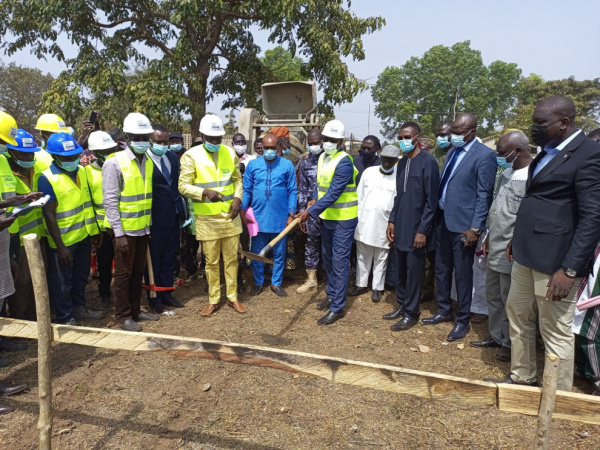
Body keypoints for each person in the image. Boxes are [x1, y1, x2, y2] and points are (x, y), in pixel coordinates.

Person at [486, 96, 600, 391]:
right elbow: (536, 200)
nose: (535, 129)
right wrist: (516, 237)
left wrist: (571, 269)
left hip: (556, 263)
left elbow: (592, 217)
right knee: (518, 314)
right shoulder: (547, 152)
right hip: (526, 254)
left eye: (541, 123)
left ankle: (556, 395)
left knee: (554, 329)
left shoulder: (589, 154)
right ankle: (522, 376)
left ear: (564, 122)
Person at [422, 113, 497, 341]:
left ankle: (462, 319)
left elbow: (484, 195)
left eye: (457, 131)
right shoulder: (454, 151)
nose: (452, 135)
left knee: (462, 275)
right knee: (442, 269)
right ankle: (444, 310)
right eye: (452, 130)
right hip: (444, 220)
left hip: (464, 227)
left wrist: (475, 228)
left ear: (471, 132)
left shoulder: (485, 156)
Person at [470, 131, 532, 362]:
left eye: (502, 152)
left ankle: (509, 343)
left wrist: (514, 241)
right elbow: (497, 208)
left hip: (510, 249)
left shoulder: (532, 175)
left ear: (518, 151)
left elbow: (526, 215)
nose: (499, 156)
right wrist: (487, 236)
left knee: (509, 299)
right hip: (494, 242)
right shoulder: (507, 172)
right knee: (493, 295)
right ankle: (496, 336)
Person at [179, 114, 246, 316]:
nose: (216, 142)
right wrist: (203, 193)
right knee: (211, 262)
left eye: (218, 138)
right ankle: (214, 299)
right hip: (207, 218)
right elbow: (182, 186)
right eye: (211, 139)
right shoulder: (191, 156)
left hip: (230, 216)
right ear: (202, 135)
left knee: (232, 259)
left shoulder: (230, 153)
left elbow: (237, 181)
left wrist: (237, 199)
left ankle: (233, 297)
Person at [37, 132, 105, 325]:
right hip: (63, 241)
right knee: (62, 281)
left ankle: (79, 308)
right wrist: (60, 247)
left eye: (74, 156)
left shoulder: (82, 172)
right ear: (55, 157)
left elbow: (87, 202)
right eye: (67, 158)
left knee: (80, 276)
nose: (72, 160)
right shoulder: (46, 178)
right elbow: (49, 214)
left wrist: (95, 230)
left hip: (83, 235)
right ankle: (65, 316)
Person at [296, 120, 358, 325]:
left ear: (340, 141)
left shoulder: (345, 162)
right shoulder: (323, 157)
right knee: (328, 259)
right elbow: (320, 185)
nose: (328, 142)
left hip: (343, 220)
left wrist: (310, 211)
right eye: (326, 139)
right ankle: (332, 295)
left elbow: (333, 193)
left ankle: (338, 307)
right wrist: (313, 198)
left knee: (340, 263)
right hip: (327, 218)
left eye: (332, 139)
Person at [103, 113, 158, 331]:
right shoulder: (114, 163)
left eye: (145, 136)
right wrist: (119, 234)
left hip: (142, 229)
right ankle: (123, 315)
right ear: (127, 136)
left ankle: (136, 310)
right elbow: (110, 201)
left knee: (138, 272)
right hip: (124, 232)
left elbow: (145, 197)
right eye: (137, 136)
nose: (143, 140)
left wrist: (147, 227)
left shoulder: (148, 161)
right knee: (123, 274)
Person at [385, 123, 440, 331]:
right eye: (400, 137)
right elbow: (399, 196)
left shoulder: (428, 162)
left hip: (417, 229)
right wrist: (392, 220)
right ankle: (402, 304)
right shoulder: (402, 164)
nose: (403, 141)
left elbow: (431, 201)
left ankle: (412, 312)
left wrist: (422, 230)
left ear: (417, 137)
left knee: (414, 272)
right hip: (401, 225)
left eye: (407, 136)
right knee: (399, 270)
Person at [241, 134, 297, 297]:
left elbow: (293, 190)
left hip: (280, 217)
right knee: (257, 251)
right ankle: (258, 282)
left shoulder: (287, 165)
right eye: (266, 148)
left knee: (280, 252)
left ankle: (276, 283)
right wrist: (244, 211)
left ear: (278, 147)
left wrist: (291, 214)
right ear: (262, 148)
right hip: (257, 217)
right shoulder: (253, 165)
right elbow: (247, 189)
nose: (269, 151)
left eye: (273, 148)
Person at [5, 129, 48, 321]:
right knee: (21, 282)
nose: (29, 157)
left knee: (38, 279)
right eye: (23, 154)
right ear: (11, 153)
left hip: (39, 234)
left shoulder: (36, 169)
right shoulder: (6, 174)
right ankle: (20, 321)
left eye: (31, 153)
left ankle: (36, 317)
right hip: (17, 238)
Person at [350, 144, 399, 302]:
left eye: (390, 161)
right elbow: (359, 197)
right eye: (385, 160)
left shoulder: (398, 176)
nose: (386, 164)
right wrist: (357, 219)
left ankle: (377, 287)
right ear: (381, 157)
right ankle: (361, 284)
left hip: (385, 224)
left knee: (381, 257)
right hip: (365, 221)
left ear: (395, 161)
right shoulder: (369, 173)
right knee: (363, 256)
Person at [146, 124, 186, 313]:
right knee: (155, 259)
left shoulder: (171, 157)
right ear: (150, 141)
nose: (162, 145)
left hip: (172, 216)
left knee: (170, 257)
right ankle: (154, 298)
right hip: (154, 219)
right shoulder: (144, 160)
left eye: (165, 141)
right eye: (158, 141)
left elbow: (175, 185)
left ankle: (167, 293)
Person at [421, 120, 454, 303]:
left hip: (453, 214)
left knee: (449, 258)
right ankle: (427, 290)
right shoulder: (431, 156)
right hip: (432, 211)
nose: (441, 138)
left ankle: (450, 296)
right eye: (438, 134)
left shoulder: (457, 154)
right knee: (429, 254)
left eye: (445, 134)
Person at [85, 131, 118, 308]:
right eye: (102, 151)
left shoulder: (121, 165)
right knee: (104, 262)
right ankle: (104, 292)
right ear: (94, 153)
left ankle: (122, 294)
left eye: (109, 150)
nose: (106, 154)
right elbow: (87, 202)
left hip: (121, 223)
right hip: (102, 227)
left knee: (122, 262)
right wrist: (94, 230)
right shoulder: (88, 172)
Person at [296, 128, 323, 294]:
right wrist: (301, 213)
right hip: (310, 213)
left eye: (316, 143)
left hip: (329, 212)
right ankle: (311, 279)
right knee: (311, 244)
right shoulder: (305, 163)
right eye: (311, 144)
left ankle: (329, 278)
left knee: (328, 246)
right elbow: (302, 189)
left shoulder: (330, 160)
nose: (314, 146)